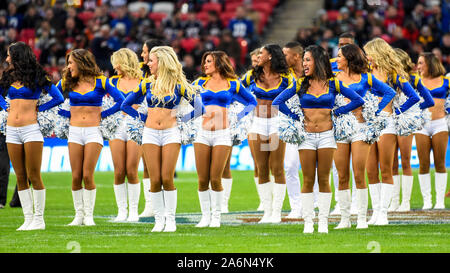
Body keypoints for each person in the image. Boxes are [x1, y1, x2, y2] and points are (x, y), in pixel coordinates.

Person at [273, 45, 364, 233]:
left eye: (308, 60)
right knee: (307, 179)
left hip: (326, 136)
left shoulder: (333, 83)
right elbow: (277, 102)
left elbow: (357, 100)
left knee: (324, 179)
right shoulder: (300, 84)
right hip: (305, 136)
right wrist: (295, 116)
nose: (304, 63)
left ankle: (323, 222)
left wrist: (338, 112)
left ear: (318, 61)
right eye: (303, 60)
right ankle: (308, 222)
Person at [121, 46, 205, 232]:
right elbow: (125, 105)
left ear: (162, 62)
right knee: (154, 179)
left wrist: (181, 120)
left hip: (170, 133)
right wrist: (143, 118)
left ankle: (170, 220)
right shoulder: (147, 84)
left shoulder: (179, 85)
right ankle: (159, 221)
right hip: (149, 133)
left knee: (167, 177)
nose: (147, 64)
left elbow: (200, 109)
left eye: (151, 61)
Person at [57, 48, 125, 226]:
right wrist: (62, 113)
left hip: (93, 131)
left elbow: (122, 100)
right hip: (74, 131)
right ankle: (78, 215)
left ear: (81, 62)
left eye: (71, 62)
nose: (69, 66)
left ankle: (88, 216)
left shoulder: (101, 81)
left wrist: (105, 113)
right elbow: (52, 96)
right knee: (75, 175)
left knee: (88, 175)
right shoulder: (67, 81)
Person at [0, 41, 64, 230]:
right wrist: (6, 107)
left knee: (33, 174)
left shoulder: (38, 75)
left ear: (18, 56)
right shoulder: (9, 76)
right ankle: (28, 219)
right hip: (11, 129)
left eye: (9, 55)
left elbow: (58, 97)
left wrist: (39, 109)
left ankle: (39, 219)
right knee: (19, 176)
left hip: (31, 129)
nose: (7, 58)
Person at [333, 43, 396, 229]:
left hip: (361, 128)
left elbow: (389, 92)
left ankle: (361, 219)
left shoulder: (366, 78)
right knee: (343, 176)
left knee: (359, 174)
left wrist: (375, 110)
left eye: (339, 56)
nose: (336, 59)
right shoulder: (334, 77)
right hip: (341, 130)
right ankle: (345, 219)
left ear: (349, 58)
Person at [192, 51, 256, 228]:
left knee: (215, 178)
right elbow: (189, 102)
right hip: (202, 133)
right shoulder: (199, 83)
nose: (205, 65)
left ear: (219, 63)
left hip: (222, 133)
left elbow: (251, 102)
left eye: (209, 61)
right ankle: (205, 217)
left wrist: (238, 116)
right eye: (204, 61)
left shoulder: (233, 84)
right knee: (202, 179)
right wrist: (185, 119)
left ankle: (216, 217)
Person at [363, 38, 420, 226]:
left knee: (386, 168)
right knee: (371, 170)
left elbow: (413, 97)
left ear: (377, 52)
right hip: (369, 124)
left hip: (387, 123)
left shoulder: (392, 74)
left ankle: (383, 213)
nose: (366, 57)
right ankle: (376, 211)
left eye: (368, 53)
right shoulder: (366, 73)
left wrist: (397, 111)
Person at [244, 44, 293, 224]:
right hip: (257, 123)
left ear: (270, 56)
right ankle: (267, 210)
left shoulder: (286, 78)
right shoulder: (251, 75)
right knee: (261, 167)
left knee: (277, 167)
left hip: (276, 123)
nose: (258, 57)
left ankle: (277, 212)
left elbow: (297, 95)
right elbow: (234, 90)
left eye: (262, 54)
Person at [390, 48, 434, 212]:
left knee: (406, 161)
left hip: (404, 122)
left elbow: (429, 100)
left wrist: (412, 111)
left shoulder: (414, 80)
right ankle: (394, 202)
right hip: (389, 121)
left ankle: (405, 202)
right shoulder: (389, 79)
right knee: (391, 163)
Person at [109, 48, 144, 222]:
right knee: (119, 171)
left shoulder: (144, 80)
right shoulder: (112, 81)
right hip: (116, 126)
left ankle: (134, 212)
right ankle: (121, 211)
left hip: (135, 125)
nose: (114, 67)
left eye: (116, 62)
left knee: (132, 170)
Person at [414, 52, 449, 210]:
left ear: (430, 63)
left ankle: (440, 201)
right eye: (418, 63)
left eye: (421, 63)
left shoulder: (445, 80)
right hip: (422, 125)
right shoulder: (415, 80)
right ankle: (427, 201)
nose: (418, 66)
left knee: (440, 164)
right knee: (423, 164)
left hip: (440, 123)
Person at [138, 38, 164, 218]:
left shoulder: (168, 76)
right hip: (147, 125)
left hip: (166, 126)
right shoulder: (142, 73)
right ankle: (150, 205)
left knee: (163, 169)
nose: (142, 55)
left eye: (145, 51)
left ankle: (162, 205)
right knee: (147, 165)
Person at [282, 41, 305, 219]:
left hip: (316, 123)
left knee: (314, 167)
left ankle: (313, 204)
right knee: (290, 165)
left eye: (286, 54)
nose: (283, 58)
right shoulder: (283, 75)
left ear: (296, 56)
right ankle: (296, 207)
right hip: (293, 124)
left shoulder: (312, 70)